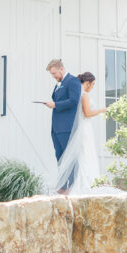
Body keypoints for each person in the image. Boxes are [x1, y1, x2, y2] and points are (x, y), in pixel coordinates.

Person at [55, 70, 108, 195]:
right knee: (86, 154)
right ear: (88, 83)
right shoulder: (84, 95)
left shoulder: (78, 93)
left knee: (84, 154)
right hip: (84, 128)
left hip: (84, 127)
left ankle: (80, 182)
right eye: (93, 84)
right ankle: (85, 182)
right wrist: (103, 110)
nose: (93, 87)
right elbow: (87, 113)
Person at [44, 58, 82, 193]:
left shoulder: (73, 81)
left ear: (61, 69)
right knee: (60, 156)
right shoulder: (59, 84)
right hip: (56, 127)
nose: (53, 76)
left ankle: (71, 186)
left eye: (54, 73)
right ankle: (63, 185)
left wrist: (56, 105)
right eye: (51, 74)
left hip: (67, 127)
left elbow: (74, 101)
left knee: (70, 157)